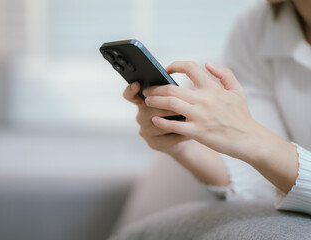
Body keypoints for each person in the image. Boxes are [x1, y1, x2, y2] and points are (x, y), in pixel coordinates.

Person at [123, 0, 311, 215]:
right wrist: (182, 145)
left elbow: (264, 152)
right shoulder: (255, 27)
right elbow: (268, 187)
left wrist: (251, 137)